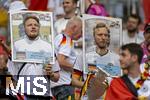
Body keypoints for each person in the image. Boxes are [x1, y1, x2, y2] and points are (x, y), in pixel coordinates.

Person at [81, 22, 120, 99]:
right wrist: (88, 85)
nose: (103, 37)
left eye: (106, 35)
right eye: (100, 35)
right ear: (94, 37)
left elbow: (117, 83)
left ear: (108, 38)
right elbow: (73, 80)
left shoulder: (117, 59)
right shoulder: (85, 56)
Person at [51, 16, 82, 100]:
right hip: (64, 88)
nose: (82, 35)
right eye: (81, 30)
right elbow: (61, 61)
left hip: (57, 86)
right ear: (74, 28)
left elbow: (65, 76)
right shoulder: (66, 40)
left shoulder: (58, 38)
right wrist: (76, 69)